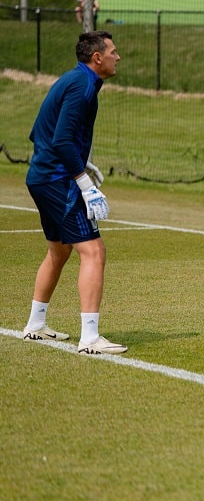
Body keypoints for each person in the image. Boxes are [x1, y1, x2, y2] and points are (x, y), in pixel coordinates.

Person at [22, 30, 128, 354]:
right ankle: (90, 338)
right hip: (58, 181)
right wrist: (83, 182)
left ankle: (35, 325)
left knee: (60, 251)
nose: (117, 57)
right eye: (112, 51)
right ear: (97, 58)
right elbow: (62, 140)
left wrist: (82, 162)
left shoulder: (75, 80)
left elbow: (38, 133)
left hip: (41, 177)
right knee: (94, 251)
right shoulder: (82, 85)